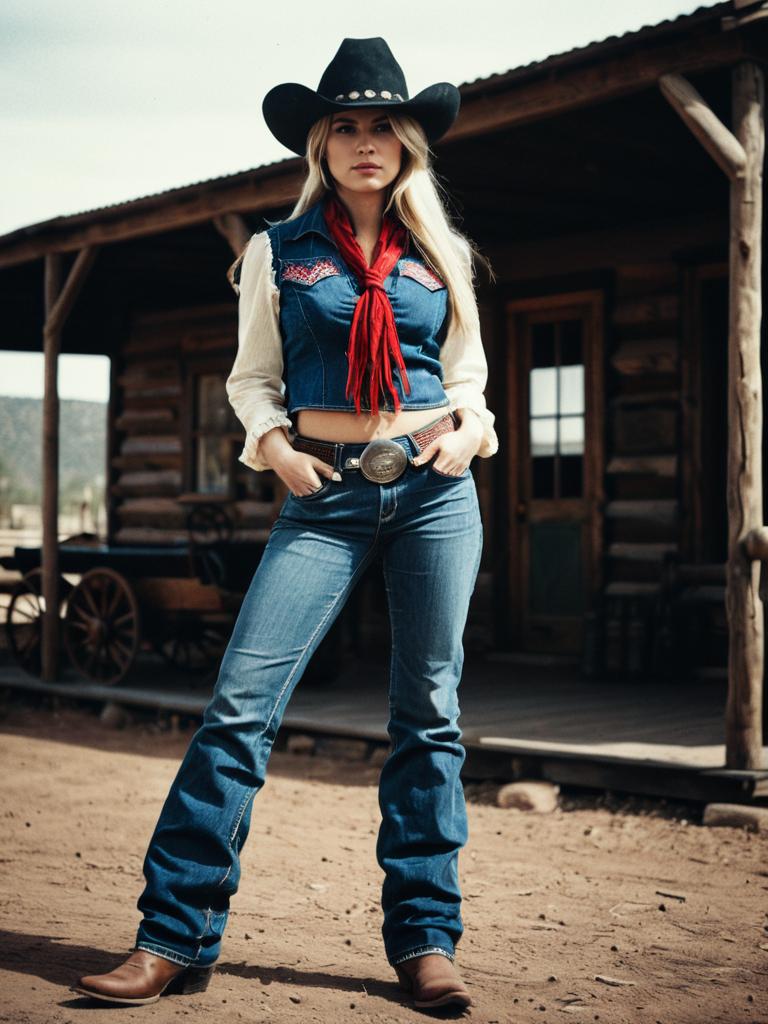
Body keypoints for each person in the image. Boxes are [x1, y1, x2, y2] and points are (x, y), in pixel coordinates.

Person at [71, 36, 498, 1012]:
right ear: (320, 143)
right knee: (239, 705)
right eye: (344, 125)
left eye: (381, 124)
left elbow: (468, 377)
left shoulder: (444, 253)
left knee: (428, 714)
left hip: (436, 488)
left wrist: (472, 431)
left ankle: (427, 940)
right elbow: (251, 379)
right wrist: (273, 447)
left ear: (406, 143)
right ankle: (174, 936)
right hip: (325, 495)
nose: (363, 141)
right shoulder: (278, 249)